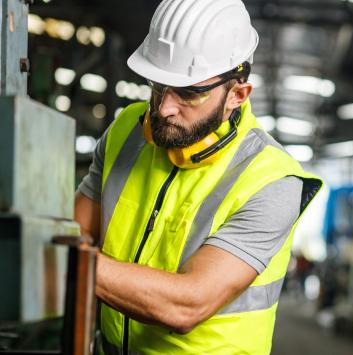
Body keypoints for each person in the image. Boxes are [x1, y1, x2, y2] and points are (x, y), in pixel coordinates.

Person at [73, 0, 323, 354]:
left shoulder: (272, 180)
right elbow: (74, 230)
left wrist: (64, 260)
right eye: (158, 84)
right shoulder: (125, 131)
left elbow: (187, 304)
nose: (163, 108)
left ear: (237, 95)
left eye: (189, 93)